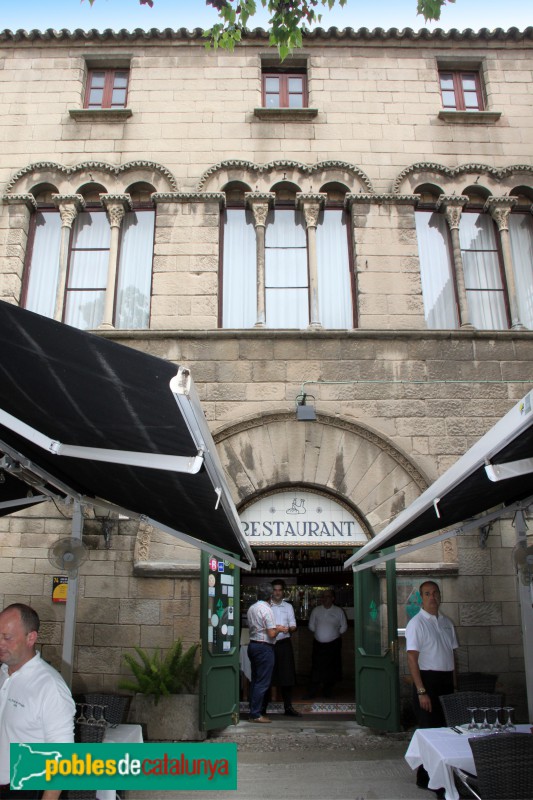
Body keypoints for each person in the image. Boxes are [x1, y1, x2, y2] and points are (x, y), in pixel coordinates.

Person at [0, 603, 75, 800]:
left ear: (30, 638)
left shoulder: (50, 687)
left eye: (7, 638)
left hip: (25, 789)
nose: (0, 643)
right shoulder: (2, 673)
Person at [406, 580, 458, 796]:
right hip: (427, 682)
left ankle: (437, 775)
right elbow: (412, 658)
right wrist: (421, 690)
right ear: (421, 597)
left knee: (445, 731)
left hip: (446, 681)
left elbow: (452, 654)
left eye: (435, 593)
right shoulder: (416, 623)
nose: (432, 597)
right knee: (430, 732)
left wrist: (455, 684)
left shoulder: (446, 622)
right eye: (427, 594)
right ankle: (427, 778)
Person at [262, 580, 301, 718]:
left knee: (287, 676)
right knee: (267, 675)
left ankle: (288, 707)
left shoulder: (288, 607)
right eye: (275, 590)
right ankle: (262, 708)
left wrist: (288, 629)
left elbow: (293, 625)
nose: (277, 592)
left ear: (283, 591)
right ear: (271, 591)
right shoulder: (266, 606)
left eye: (280, 590)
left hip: (284, 644)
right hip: (269, 644)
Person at [246, 584, 280, 723]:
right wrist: (280, 629)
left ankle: (252, 711)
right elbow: (271, 633)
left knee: (255, 680)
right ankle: (256, 714)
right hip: (264, 647)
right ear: (270, 596)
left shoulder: (252, 608)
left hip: (253, 645)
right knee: (263, 682)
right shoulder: (267, 609)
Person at [306, 589, 347, 698]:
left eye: (328, 596)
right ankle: (312, 692)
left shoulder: (339, 611)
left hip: (333, 644)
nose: (325, 599)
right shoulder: (316, 610)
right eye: (323, 597)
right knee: (316, 668)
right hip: (318, 645)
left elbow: (343, 627)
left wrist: (333, 634)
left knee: (332, 669)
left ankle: (328, 691)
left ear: (333, 598)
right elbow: (311, 626)